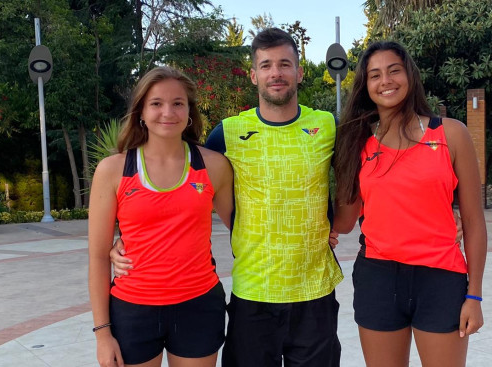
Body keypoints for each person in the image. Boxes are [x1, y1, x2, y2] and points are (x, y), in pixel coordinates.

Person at [112, 28, 344, 367]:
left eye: (284, 64)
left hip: (315, 293)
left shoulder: (326, 124)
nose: (275, 73)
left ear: (300, 71)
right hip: (253, 293)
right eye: (265, 65)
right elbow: (181, 188)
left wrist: (334, 222)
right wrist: (119, 239)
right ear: (253, 74)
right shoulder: (228, 133)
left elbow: (361, 176)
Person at [332, 41, 487, 367]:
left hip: (441, 279)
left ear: (410, 76)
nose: (385, 81)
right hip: (378, 278)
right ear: (366, 85)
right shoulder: (357, 141)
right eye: (375, 75)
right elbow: (345, 222)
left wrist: (474, 295)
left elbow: (473, 221)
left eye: (393, 71)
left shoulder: (451, 134)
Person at [88, 66, 233, 367]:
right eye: (156, 103)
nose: (168, 112)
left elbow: (244, 227)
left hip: (199, 304)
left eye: (178, 103)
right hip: (133, 310)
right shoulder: (113, 170)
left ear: (189, 111)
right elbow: (98, 257)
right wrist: (103, 335)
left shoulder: (214, 166)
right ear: (141, 110)